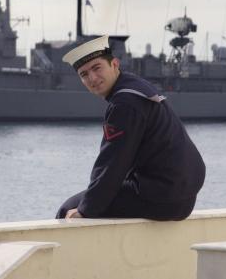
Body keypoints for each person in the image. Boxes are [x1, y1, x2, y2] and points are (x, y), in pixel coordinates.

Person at [56, 35, 205, 221]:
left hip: (162, 199)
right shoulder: (133, 86)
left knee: (68, 210)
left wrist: (85, 210)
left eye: (97, 68)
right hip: (181, 195)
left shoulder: (124, 104)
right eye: (84, 74)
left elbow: (112, 164)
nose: (92, 78)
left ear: (114, 64)